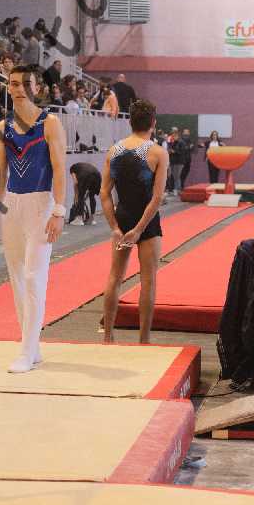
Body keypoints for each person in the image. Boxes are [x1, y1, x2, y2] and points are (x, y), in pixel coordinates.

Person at [0, 66, 67, 373]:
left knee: (34, 277)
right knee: (17, 277)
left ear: (37, 88)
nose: (19, 89)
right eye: (14, 84)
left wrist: (59, 210)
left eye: (25, 84)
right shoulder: (4, 125)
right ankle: (33, 346)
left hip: (40, 204)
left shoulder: (50, 123)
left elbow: (59, 169)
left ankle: (26, 352)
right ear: (8, 87)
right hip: (13, 205)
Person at [99, 99, 168, 345]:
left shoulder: (113, 151)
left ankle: (108, 337)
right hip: (147, 223)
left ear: (130, 122)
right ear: (153, 123)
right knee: (148, 280)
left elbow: (104, 193)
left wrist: (115, 228)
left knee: (114, 277)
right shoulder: (158, 153)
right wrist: (139, 230)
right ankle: (144, 340)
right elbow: (157, 197)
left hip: (123, 217)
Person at [68, 161, 102, 226]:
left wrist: (76, 196)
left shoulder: (72, 169)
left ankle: (79, 219)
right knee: (92, 196)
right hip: (97, 175)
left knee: (80, 197)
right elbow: (87, 187)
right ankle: (92, 219)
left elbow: (75, 182)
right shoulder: (83, 166)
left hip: (85, 175)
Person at [168, 127, 185, 196]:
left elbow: (182, 152)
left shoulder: (181, 142)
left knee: (177, 176)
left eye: (174, 135)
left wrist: (174, 151)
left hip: (179, 162)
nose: (173, 137)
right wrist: (170, 151)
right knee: (174, 176)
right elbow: (171, 150)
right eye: (172, 135)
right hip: (173, 161)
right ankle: (176, 190)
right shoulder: (173, 142)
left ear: (177, 135)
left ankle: (177, 190)